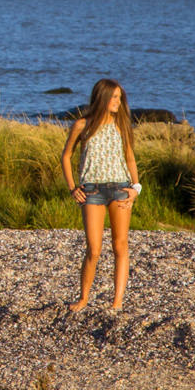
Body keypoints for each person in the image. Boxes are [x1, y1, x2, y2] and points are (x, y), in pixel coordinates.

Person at [59, 78, 142, 313]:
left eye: (120, 97)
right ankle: (83, 298)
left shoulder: (122, 124)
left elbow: (130, 158)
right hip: (91, 190)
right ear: (102, 97)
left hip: (120, 189)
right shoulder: (82, 125)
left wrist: (136, 188)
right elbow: (66, 156)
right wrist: (72, 187)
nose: (119, 101)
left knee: (120, 245)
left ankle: (117, 302)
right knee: (93, 249)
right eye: (114, 97)